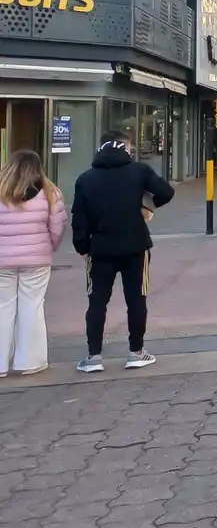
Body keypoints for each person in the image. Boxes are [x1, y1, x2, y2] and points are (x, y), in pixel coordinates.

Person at [71, 131, 175, 373]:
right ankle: (136, 353)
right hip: (136, 246)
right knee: (136, 299)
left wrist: (82, 247)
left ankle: (93, 357)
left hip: (100, 249)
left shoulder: (86, 179)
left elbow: (79, 218)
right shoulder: (139, 171)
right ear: (126, 148)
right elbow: (166, 192)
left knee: (97, 301)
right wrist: (145, 205)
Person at [0, 150, 67, 375]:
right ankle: (30, 362)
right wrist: (49, 247)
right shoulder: (50, 193)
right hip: (37, 260)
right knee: (32, 307)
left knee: (2, 309)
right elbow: (58, 228)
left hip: (1, 262)